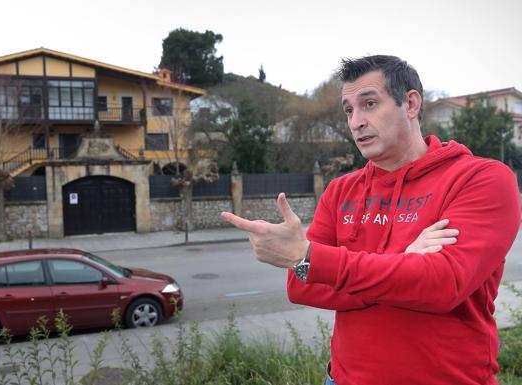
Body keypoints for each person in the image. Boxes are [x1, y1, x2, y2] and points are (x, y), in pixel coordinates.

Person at [221, 55, 521, 385]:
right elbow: (301, 286)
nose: (355, 122)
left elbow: (443, 285)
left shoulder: (481, 179)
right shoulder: (340, 191)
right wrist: (403, 262)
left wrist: (312, 259)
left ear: (410, 103)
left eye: (369, 104)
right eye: (349, 109)